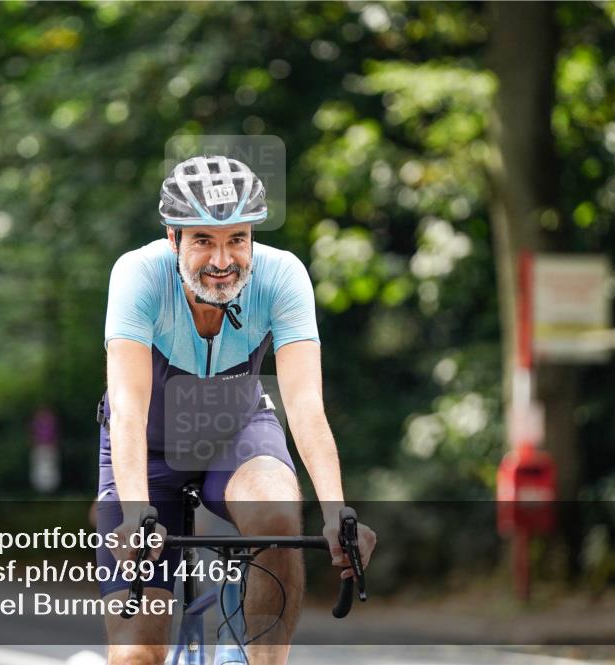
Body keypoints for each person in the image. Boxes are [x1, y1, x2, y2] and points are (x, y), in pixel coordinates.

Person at [95, 154, 376, 665]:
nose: (223, 260)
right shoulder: (138, 275)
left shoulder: (282, 275)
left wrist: (336, 512)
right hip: (147, 450)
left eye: (237, 239)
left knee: (277, 516)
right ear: (172, 238)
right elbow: (130, 410)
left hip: (238, 430)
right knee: (138, 654)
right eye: (203, 239)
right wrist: (136, 514)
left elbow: (306, 405)